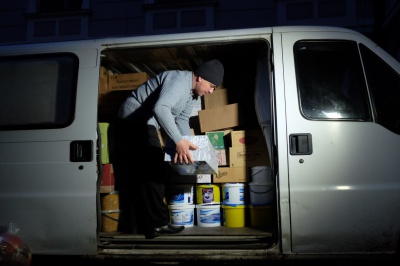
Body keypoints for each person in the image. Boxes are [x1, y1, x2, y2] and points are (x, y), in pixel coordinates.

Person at [114, 59, 224, 239]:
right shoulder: (179, 81)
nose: (211, 91)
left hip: (143, 123)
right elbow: (161, 108)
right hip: (132, 120)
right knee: (153, 172)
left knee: (145, 175)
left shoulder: (192, 94)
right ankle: (157, 224)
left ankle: (142, 226)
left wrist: (192, 148)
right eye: (211, 86)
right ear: (200, 78)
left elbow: (181, 119)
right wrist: (179, 142)